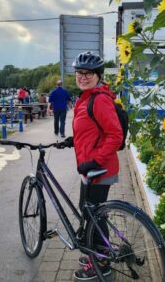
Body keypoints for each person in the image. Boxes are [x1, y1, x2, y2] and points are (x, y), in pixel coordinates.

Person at [58, 51, 123, 281]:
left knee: (95, 214)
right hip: (89, 167)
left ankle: (102, 263)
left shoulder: (100, 99)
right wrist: (72, 141)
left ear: (98, 75)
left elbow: (114, 135)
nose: (82, 76)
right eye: (79, 72)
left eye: (88, 73)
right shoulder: (86, 97)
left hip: (99, 168)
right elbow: (91, 130)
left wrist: (95, 160)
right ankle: (96, 252)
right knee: (89, 211)